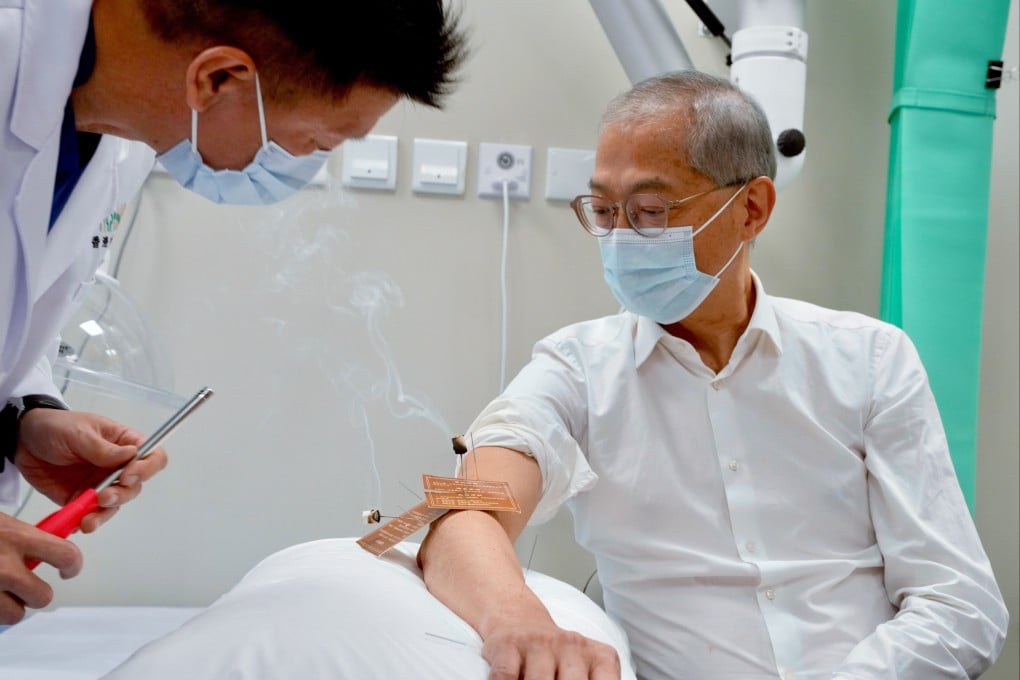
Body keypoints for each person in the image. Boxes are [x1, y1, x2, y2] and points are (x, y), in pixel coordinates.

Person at [417, 70, 1008, 679]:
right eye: (602, 209)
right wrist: (520, 619)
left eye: (649, 210)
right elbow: (464, 514)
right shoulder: (577, 371)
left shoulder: (870, 360)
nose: (620, 237)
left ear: (751, 209)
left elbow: (959, 603)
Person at [0, 0, 468, 624]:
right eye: (315, 141)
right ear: (218, 79)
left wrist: (22, 419)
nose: (306, 162)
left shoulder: (124, 136)